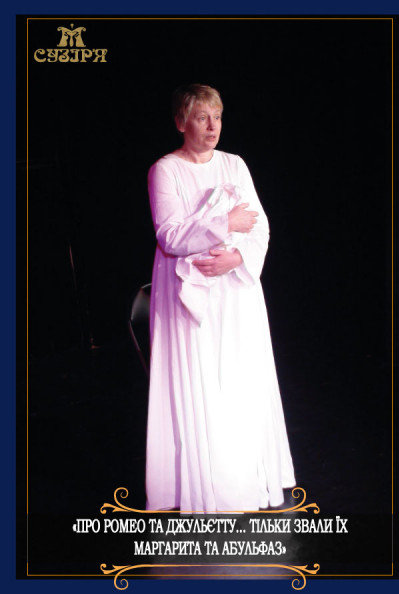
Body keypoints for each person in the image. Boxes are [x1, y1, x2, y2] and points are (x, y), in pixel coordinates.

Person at [146, 83, 296, 512]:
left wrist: (237, 257)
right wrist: (224, 222)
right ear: (181, 123)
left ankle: (248, 480)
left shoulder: (235, 164)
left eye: (217, 117)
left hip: (235, 290)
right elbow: (170, 235)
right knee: (202, 382)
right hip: (190, 297)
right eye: (201, 117)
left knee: (240, 378)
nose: (212, 127)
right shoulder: (166, 170)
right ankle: (207, 486)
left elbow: (260, 225)